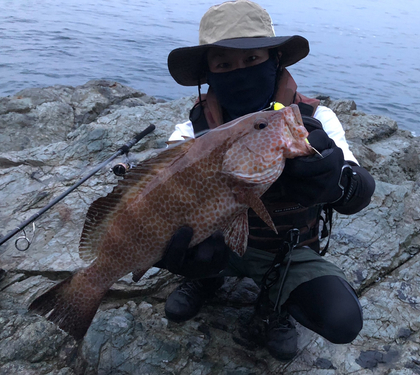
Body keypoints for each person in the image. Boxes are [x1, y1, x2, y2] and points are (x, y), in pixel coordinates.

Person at [156, 0, 376, 361]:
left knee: (342, 320)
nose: (239, 71)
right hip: (216, 246)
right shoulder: (191, 132)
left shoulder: (315, 119)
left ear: (275, 60)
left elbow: (357, 193)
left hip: (286, 250)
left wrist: (337, 179)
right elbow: (159, 197)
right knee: (159, 239)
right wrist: (173, 251)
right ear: (209, 74)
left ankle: (278, 302)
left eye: (251, 59)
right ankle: (205, 277)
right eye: (224, 64)